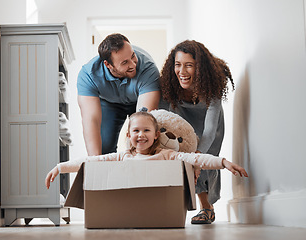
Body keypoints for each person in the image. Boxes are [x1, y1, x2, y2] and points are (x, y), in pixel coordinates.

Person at [45, 111, 248, 189]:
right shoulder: (123, 156)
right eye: (136, 131)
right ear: (128, 135)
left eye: (146, 131)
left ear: (156, 135)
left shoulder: (166, 156)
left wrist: (223, 163)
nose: (141, 135)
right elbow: (91, 162)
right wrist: (60, 168)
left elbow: (197, 159)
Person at [159, 40, 235, 224]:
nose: (182, 72)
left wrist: (198, 157)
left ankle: (206, 208)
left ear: (200, 68)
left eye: (189, 65)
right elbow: (160, 117)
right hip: (182, 123)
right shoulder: (168, 85)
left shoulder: (212, 86)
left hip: (210, 126)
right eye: (178, 65)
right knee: (182, 160)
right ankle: (174, 206)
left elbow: (209, 131)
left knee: (204, 160)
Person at [77, 33, 160, 156]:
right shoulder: (88, 75)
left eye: (133, 56)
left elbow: (145, 120)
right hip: (109, 103)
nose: (132, 64)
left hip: (139, 100)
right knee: (104, 147)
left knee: (144, 142)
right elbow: (91, 120)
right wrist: (95, 162)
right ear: (108, 65)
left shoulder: (148, 68)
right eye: (125, 62)